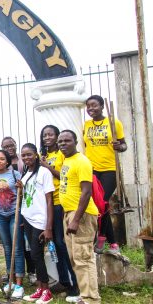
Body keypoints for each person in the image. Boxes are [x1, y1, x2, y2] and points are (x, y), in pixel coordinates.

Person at [58, 130, 100, 303]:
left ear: (75, 142)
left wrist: (75, 219)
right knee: (76, 258)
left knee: (83, 258)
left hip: (81, 215)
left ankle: (90, 298)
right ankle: (85, 294)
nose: (62, 144)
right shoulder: (67, 160)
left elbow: (87, 192)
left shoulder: (82, 161)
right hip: (69, 212)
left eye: (67, 141)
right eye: (60, 142)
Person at [84, 95, 127, 255]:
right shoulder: (86, 125)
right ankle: (113, 242)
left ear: (102, 106)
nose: (90, 109)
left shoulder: (113, 122)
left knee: (101, 203)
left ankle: (101, 238)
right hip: (92, 169)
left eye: (94, 105)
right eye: (88, 106)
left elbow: (124, 145)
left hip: (109, 169)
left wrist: (119, 146)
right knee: (99, 205)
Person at [40, 125, 79, 296]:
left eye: (50, 134)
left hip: (59, 203)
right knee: (53, 243)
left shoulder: (62, 155)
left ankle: (73, 283)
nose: (47, 137)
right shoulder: (43, 155)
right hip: (45, 203)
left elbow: (64, 176)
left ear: (56, 137)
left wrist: (46, 166)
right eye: (44, 135)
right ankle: (62, 280)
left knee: (61, 243)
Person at [17, 143, 55, 304]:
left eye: (29, 154)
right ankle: (40, 288)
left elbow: (49, 200)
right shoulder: (26, 173)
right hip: (28, 218)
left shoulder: (44, 172)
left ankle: (47, 291)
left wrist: (48, 227)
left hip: (40, 220)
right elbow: (27, 197)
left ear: (36, 155)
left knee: (36, 255)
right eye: (23, 155)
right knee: (33, 253)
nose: (26, 158)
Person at [0, 150, 24, 298]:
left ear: (7, 161)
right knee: (7, 248)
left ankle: (19, 285)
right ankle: (11, 281)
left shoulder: (15, 174)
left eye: (2, 159)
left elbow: (24, 193)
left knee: (17, 248)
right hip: (1, 215)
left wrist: (21, 187)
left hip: (15, 214)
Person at [1, 136, 35, 285]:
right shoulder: (0, 166)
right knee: (11, 245)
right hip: (4, 211)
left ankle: (31, 272)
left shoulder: (23, 163)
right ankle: (12, 275)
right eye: (5, 146)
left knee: (24, 245)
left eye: (11, 145)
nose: (9, 148)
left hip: (20, 208)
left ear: (15, 145)